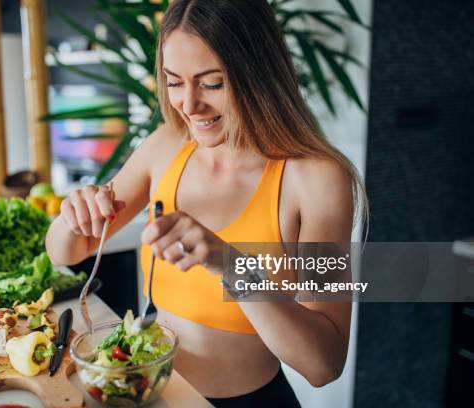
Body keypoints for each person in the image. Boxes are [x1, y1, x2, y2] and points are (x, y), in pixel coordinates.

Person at [46, 0, 366, 406]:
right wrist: (75, 213)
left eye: (212, 83)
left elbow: (324, 364)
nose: (189, 105)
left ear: (259, 73)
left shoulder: (317, 180)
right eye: (174, 81)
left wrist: (229, 265)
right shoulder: (166, 147)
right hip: (151, 397)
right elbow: (63, 250)